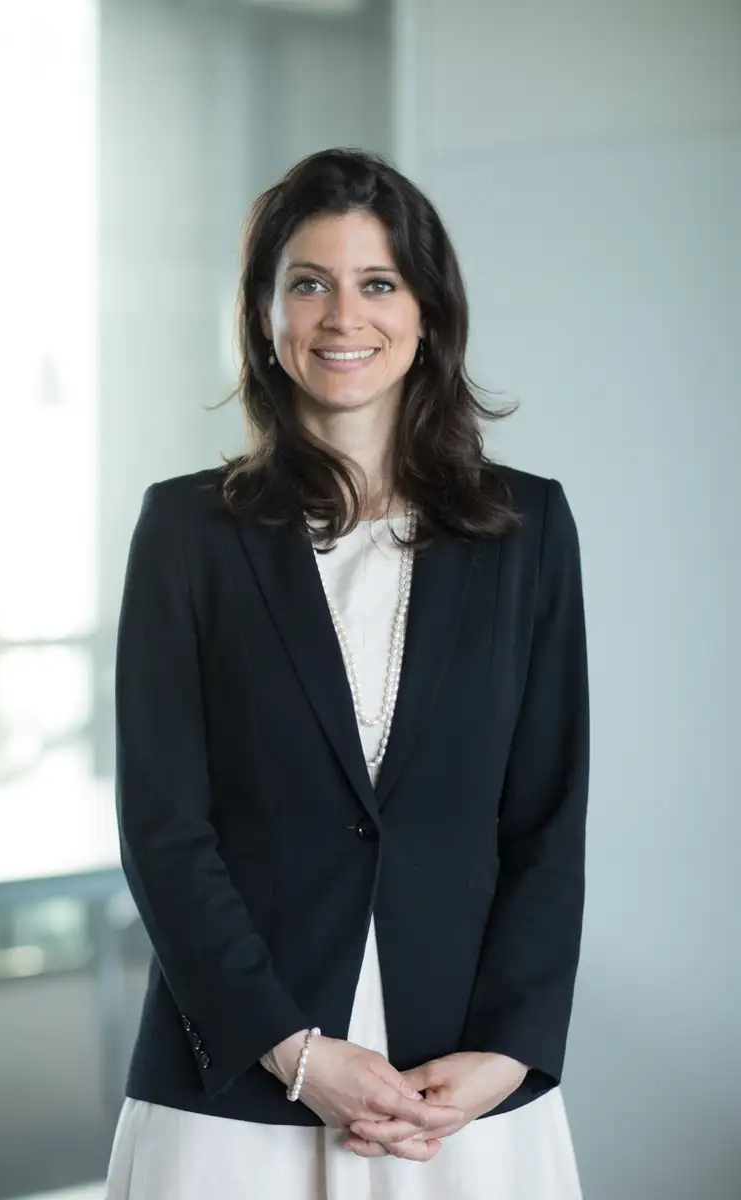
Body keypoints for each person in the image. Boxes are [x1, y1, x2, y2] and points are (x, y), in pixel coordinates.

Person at [105, 147, 589, 1199]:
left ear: (426, 313)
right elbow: (163, 828)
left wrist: (508, 1053)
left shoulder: (528, 529)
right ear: (266, 318)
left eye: (377, 283)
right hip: (236, 1078)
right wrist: (292, 1050)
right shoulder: (185, 531)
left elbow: (545, 819)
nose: (341, 317)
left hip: (459, 1091)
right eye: (307, 284)